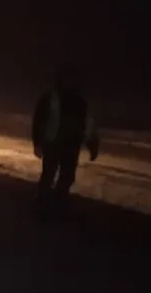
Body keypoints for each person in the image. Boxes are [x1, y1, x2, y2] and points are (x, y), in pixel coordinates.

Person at [31, 65, 100, 215]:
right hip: (53, 144)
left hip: (71, 145)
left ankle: (59, 205)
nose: (70, 82)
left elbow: (88, 125)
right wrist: (37, 142)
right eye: (67, 79)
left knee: (67, 177)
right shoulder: (50, 99)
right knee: (49, 175)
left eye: (72, 80)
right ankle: (42, 204)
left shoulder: (80, 102)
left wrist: (92, 145)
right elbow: (39, 121)